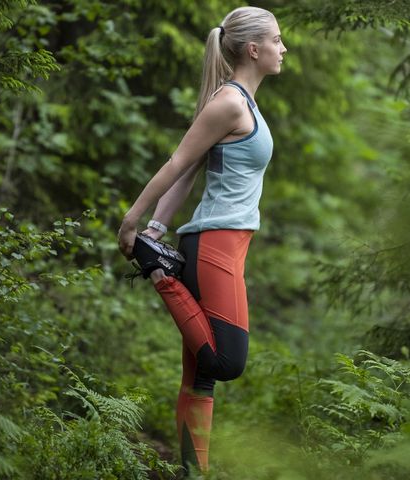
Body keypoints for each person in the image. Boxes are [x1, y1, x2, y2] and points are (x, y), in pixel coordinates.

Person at [118, 6, 287, 476]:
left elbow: (190, 171)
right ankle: (159, 273)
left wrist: (156, 229)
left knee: (203, 378)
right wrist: (135, 224)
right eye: (277, 39)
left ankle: (194, 472)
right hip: (214, 243)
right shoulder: (229, 103)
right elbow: (178, 164)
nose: (283, 48)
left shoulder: (241, 103)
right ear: (254, 49)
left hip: (226, 243)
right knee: (227, 361)